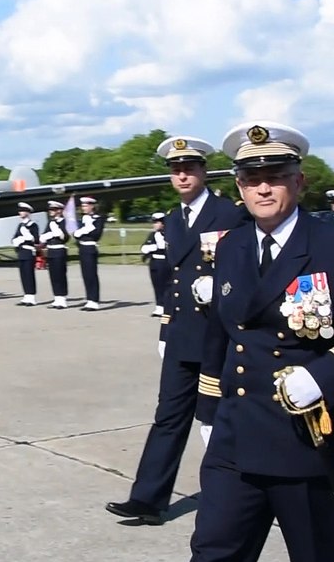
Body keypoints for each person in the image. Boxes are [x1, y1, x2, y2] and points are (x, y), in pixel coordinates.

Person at [183, 121, 334, 562]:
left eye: (276, 175)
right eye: (250, 177)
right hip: (236, 436)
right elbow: (221, 332)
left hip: (307, 440)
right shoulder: (229, 246)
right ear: (238, 185)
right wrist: (206, 412)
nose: (263, 187)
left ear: (299, 181)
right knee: (213, 554)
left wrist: (323, 376)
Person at [105, 135, 247, 526]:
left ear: (203, 170)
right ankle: (148, 499)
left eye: (189, 168)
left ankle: (234, 500)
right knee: (168, 416)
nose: (182, 175)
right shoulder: (172, 219)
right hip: (184, 332)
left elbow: (248, 268)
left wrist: (220, 289)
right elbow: (172, 281)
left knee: (216, 419)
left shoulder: (229, 214)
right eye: (175, 170)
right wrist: (166, 331)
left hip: (218, 336)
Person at [75, 196, 104, 311]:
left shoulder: (98, 219)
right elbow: (76, 234)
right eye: (82, 206)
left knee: (92, 275)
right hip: (82, 248)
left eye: (86, 205)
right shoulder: (82, 219)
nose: (84, 208)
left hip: (90, 248)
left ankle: (94, 300)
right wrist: (81, 231)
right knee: (86, 275)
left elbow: (96, 234)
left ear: (92, 206)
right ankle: (89, 299)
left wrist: (86, 228)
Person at [41, 200, 71, 308]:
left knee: (60, 275)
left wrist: (57, 232)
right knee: (53, 275)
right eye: (50, 210)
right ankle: (57, 297)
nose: (50, 211)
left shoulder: (64, 222)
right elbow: (43, 237)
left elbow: (65, 237)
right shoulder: (50, 222)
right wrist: (49, 235)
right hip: (51, 250)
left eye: (53, 210)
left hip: (59, 249)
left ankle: (62, 298)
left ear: (59, 211)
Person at [140, 212, 170, 316]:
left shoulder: (168, 234)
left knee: (165, 285)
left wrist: (155, 247)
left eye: (157, 222)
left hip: (164, 262)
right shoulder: (152, 235)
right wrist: (151, 248)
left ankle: (166, 306)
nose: (155, 224)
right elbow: (144, 248)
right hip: (154, 262)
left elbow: (166, 248)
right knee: (156, 285)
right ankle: (159, 306)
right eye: (154, 222)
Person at [12, 202, 40, 306]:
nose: (20, 213)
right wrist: (17, 240)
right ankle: (26, 295)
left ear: (28, 212)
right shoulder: (20, 225)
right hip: (21, 251)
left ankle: (31, 296)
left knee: (29, 274)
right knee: (23, 274)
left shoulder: (32, 225)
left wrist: (26, 236)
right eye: (20, 211)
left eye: (23, 211)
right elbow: (14, 237)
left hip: (28, 251)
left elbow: (36, 239)